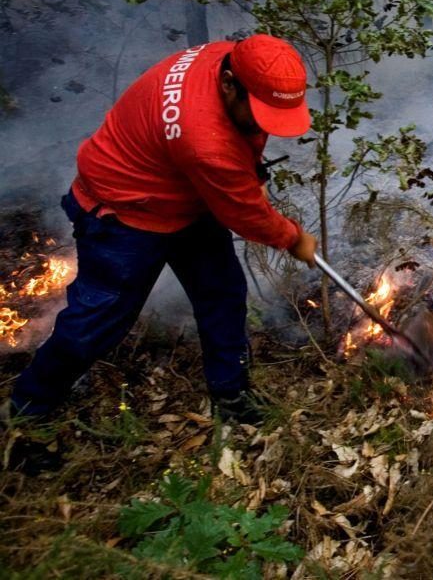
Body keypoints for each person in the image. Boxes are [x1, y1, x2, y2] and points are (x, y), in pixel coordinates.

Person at [5, 34, 317, 428]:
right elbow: (246, 215)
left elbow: (243, 146)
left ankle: (231, 394)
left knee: (222, 293)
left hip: (183, 194)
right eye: (257, 112)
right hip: (124, 209)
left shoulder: (226, 57)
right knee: (98, 321)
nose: (261, 123)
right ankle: (26, 412)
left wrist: (252, 166)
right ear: (228, 84)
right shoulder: (205, 139)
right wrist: (293, 238)